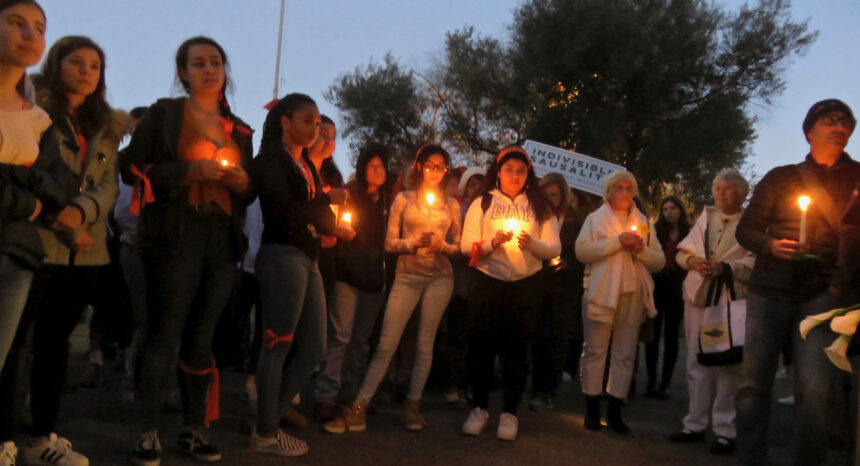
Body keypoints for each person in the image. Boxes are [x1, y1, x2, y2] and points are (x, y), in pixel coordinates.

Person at [120, 36, 255, 465]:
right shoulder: (165, 114)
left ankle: (195, 429)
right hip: (175, 237)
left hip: (220, 242)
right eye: (199, 63)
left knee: (203, 336)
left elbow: (249, 193)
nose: (209, 69)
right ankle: (147, 431)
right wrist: (186, 171)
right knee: (166, 333)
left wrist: (242, 185)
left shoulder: (240, 129)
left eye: (216, 62)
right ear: (183, 72)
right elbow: (131, 167)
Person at [734, 99, 860, 465]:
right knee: (752, 387)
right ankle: (750, 460)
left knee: (816, 392)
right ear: (810, 131)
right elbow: (747, 230)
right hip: (769, 292)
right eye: (829, 120)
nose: (839, 126)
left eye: (845, 122)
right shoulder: (780, 177)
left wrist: (839, 286)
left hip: (823, 296)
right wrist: (771, 245)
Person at [324, 143, 461, 434]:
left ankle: (412, 405)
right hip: (407, 275)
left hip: (440, 277)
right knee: (386, 342)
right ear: (420, 167)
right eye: (430, 165)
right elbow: (389, 243)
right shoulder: (403, 199)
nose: (435, 171)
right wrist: (412, 244)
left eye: (442, 167)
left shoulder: (452, 205)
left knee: (425, 343)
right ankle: (359, 407)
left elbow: (458, 247)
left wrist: (442, 246)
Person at [249, 93, 352, 456]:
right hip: (282, 256)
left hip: (308, 259)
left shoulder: (305, 164)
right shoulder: (270, 161)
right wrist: (326, 205)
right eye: (308, 121)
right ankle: (265, 432)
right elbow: (283, 210)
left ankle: (269, 421)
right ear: (285, 123)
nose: (316, 129)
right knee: (278, 344)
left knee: (313, 347)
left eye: (319, 122)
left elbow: (316, 213)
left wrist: (336, 227)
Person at [0, 2, 78, 465]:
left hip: (17, 255)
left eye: (40, 28)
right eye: (16, 23)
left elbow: (63, 186)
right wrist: (29, 197)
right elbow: (42, 190)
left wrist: (20, 186)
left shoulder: (36, 118)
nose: (30, 34)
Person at [459, 146, 560, 441]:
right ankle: (479, 407)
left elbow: (554, 248)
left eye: (521, 170)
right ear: (498, 172)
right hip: (488, 281)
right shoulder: (483, 202)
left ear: (528, 174)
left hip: (526, 284)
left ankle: (509, 413)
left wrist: (532, 245)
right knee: (481, 346)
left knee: (517, 349)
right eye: (509, 169)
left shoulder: (541, 206)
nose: (514, 175)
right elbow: (467, 246)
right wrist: (492, 242)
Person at [668, 169, 754, 454]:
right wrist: (694, 261)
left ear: (742, 194)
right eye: (718, 189)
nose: (721, 194)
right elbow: (681, 253)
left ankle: (725, 429)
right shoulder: (706, 218)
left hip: (729, 301)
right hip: (698, 298)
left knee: (728, 363)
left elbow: (757, 264)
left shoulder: (752, 223)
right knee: (696, 361)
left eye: (728, 189)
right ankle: (694, 423)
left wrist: (728, 268)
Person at [575, 170, 665, 433]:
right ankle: (591, 411)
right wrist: (615, 242)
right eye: (620, 187)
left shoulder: (644, 223)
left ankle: (615, 412)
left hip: (632, 293)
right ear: (609, 193)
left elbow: (659, 261)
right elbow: (581, 251)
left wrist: (642, 250)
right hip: (600, 293)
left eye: (629, 188)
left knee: (625, 354)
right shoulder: (595, 219)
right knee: (595, 351)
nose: (625, 192)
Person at [313, 142, 394, 422]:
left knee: (360, 341)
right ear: (362, 168)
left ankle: (351, 395)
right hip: (347, 274)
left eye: (382, 165)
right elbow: (331, 225)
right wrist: (341, 233)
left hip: (374, 279)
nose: (379, 170)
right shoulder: (348, 195)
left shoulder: (389, 202)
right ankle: (326, 395)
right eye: (373, 165)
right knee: (340, 337)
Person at [528, 172, 585, 411]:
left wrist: (566, 265)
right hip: (540, 284)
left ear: (563, 195)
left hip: (566, 288)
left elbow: (581, 254)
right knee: (537, 338)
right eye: (546, 194)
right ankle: (535, 387)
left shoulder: (577, 221)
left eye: (555, 194)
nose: (551, 199)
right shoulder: (536, 219)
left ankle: (549, 391)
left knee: (557, 340)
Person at [438, 166, 486, 406]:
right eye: (472, 183)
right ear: (465, 187)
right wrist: (472, 251)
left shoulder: (492, 215)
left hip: (481, 286)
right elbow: (451, 245)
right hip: (460, 285)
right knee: (455, 336)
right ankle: (451, 385)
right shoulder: (459, 212)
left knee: (475, 339)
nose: (477, 188)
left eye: (481, 183)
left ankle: (470, 384)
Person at [644, 195, 691, 398]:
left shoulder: (689, 232)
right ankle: (651, 380)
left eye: (673, 208)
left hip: (677, 287)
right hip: (657, 285)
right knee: (652, 335)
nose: (669, 212)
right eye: (665, 209)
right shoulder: (655, 231)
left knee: (672, 335)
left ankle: (666, 381)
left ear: (680, 210)